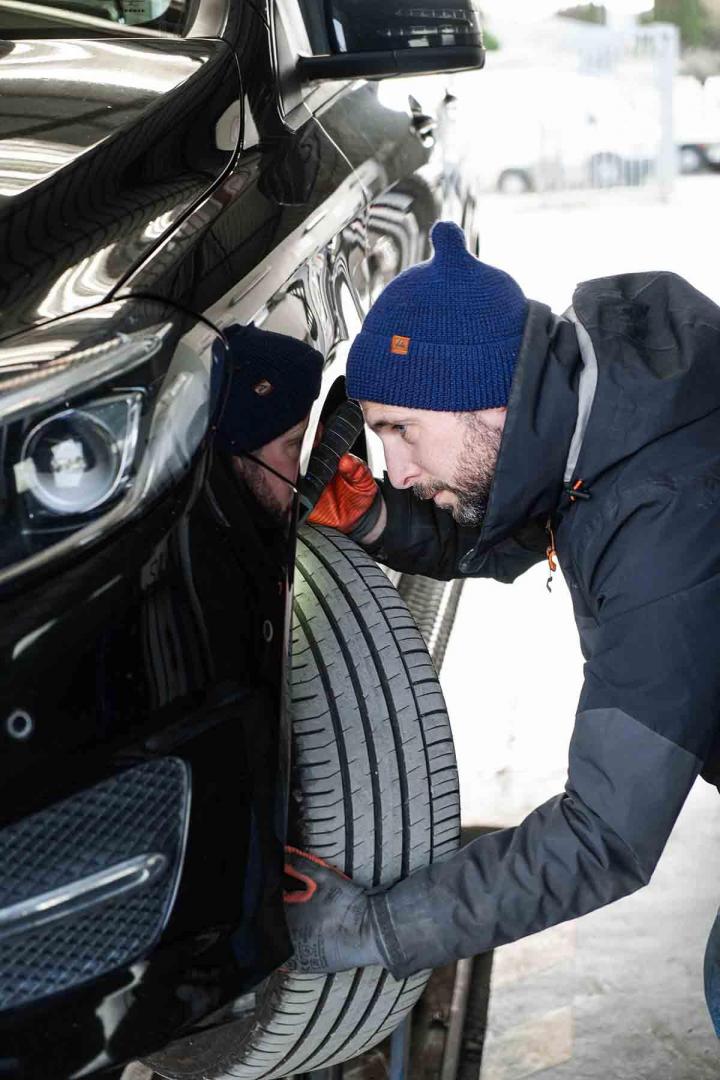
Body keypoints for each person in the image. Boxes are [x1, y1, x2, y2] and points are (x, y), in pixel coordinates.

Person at [285, 219, 720, 1035]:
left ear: (490, 402)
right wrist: (380, 520)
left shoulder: (665, 523)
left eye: (402, 430)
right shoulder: (613, 403)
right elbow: (526, 506)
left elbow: (606, 837)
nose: (398, 470)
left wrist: (376, 928)